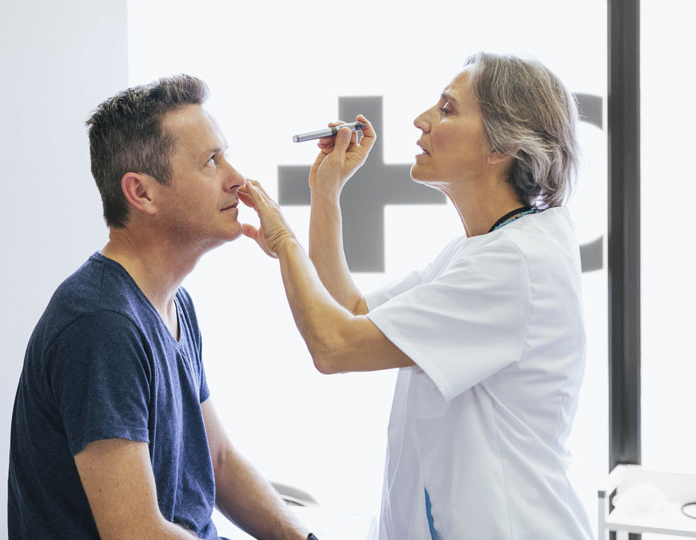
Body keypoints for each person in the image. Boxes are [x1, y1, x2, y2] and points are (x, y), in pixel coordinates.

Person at [238, 53, 593, 539]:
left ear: (503, 145)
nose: (421, 120)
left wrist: (284, 242)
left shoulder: (515, 265)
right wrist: (326, 191)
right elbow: (351, 312)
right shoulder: (480, 252)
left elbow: (335, 346)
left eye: (447, 109)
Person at [8, 74, 312, 540]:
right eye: (211, 162)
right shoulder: (101, 325)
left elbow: (220, 462)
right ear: (142, 193)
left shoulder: (174, 302)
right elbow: (136, 533)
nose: (237, 180)